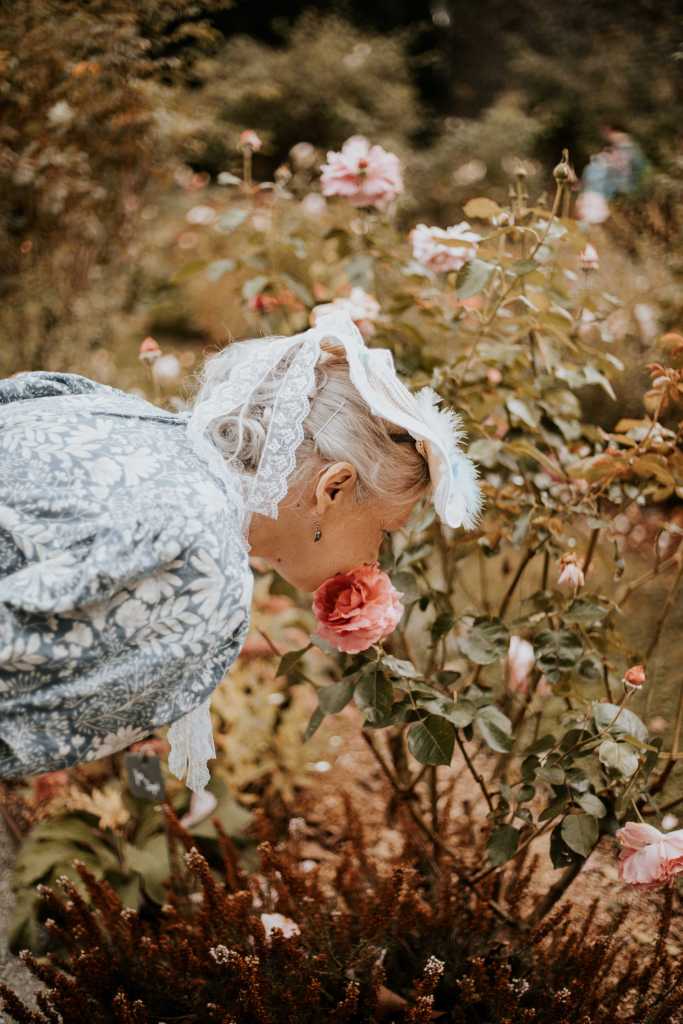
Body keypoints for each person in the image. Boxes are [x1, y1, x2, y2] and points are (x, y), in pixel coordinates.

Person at [0, 310, 482, 796]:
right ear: (333, 489)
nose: (376, 560)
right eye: (385, 530)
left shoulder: (113, 412)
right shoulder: (202, 562)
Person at [576, 122, 649, 224]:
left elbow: (632, 170)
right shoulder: (617, 150)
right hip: (601, 193)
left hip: (606, 193)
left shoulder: (626, 148)